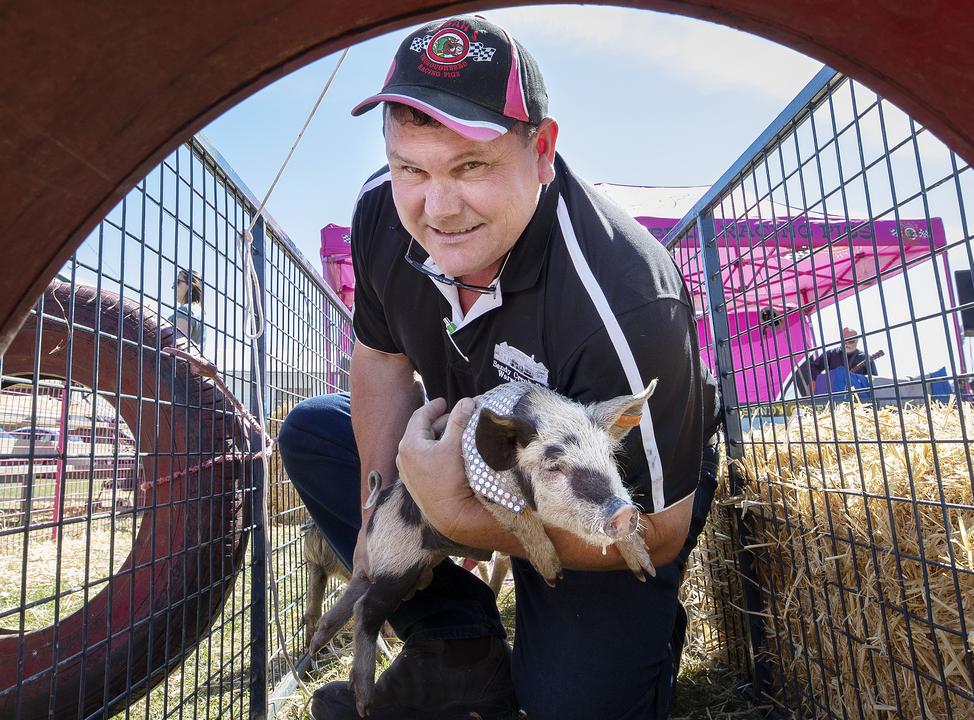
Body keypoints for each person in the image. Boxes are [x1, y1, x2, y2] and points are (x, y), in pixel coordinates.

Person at [277, 15, 719, 720]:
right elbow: (381, 355)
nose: (438, 207)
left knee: (578, 706)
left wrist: (460, 514)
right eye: (410, 168)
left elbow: (657, 528)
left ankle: (639, 636)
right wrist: (378, 510)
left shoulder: (628, 298)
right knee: (312, 431)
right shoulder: (379, 215)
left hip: (608, 498)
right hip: (478, 453)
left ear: (542, 151)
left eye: (472, 166)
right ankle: (456, 647)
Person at [797, 327, 878, 395]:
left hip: (858, 397)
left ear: (857, 341)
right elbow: (813, 366)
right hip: (833, 395)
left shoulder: (865, 357)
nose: (847, 343)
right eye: (844, 340)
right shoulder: (831, 354)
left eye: (851, 341)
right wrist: (814, 380)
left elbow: (873, 381)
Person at [169, 269, 205, 347]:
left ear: (191, 286)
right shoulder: (200, 312)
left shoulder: (186, 310)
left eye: (177, 282)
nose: (173, 287)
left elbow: (177, 347)